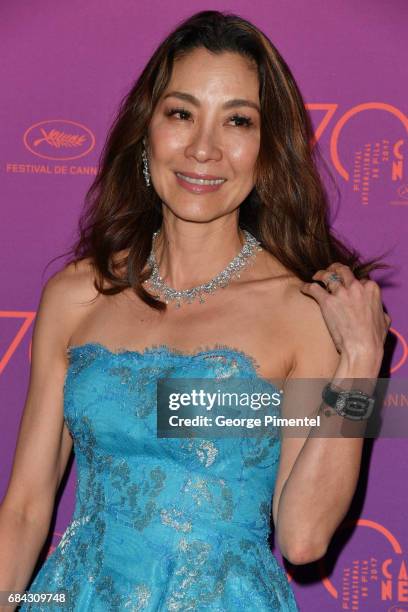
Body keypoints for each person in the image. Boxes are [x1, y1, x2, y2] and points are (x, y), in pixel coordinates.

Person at [0, 9, 391, 612]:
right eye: (181, 113)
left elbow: (305, 537)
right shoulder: (77, 294)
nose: (203, 148)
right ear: (147, 131)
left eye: (238, 120)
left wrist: (361, 363)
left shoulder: (301, 311)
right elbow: (26, 509)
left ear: (266, 150)